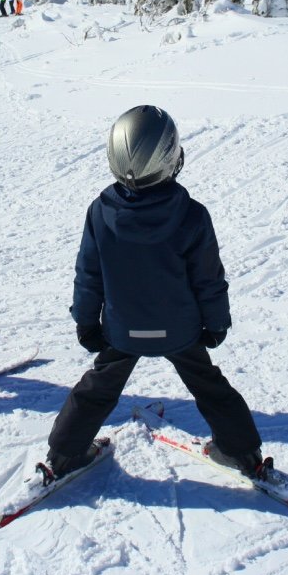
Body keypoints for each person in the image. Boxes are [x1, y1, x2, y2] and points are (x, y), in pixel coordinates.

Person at [43, 105, 264, 479]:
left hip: (122, 331)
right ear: (169, 158)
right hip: (181, 331)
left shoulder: (100, 212)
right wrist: (216, 323)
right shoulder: (192, 215)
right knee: (210, 386)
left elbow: (88, 274)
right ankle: (242, 453)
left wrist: (85, 321)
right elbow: (208, 278)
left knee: (96, 389)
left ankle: (65, 454)